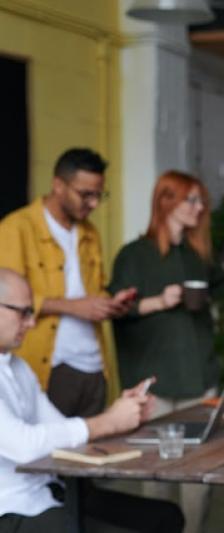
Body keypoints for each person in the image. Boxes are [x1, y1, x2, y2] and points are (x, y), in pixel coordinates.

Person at [0, 268, 184, 532]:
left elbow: (62, 428)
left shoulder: (19, 367)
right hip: (12, 511)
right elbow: (24, 446)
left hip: (51, 494)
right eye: (23, 312)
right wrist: (109, 422)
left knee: (166, 516)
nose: (31, 322)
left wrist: (121, 416)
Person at [107, 170, 220, 533]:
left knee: (198, 479)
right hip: (155, 382)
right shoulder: (133, 255)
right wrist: (159, 301)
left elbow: (205, 320)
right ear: (166, 201)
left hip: (198, 380)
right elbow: (116, 311)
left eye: (201, 201)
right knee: (155, 480)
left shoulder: (196, 255)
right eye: (192, 199)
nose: (200, 207)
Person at [0, 148, 136, 418]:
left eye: (99, 195)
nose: (94, 203)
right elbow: (8, 300)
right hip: (50, 366)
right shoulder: (16, 228)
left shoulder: (90, 233)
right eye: (86, 194)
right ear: (58, 186)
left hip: (95, 366)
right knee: (51, 454)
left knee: (95, 452)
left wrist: (109, 305)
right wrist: (74, 307)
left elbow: (91, 291)